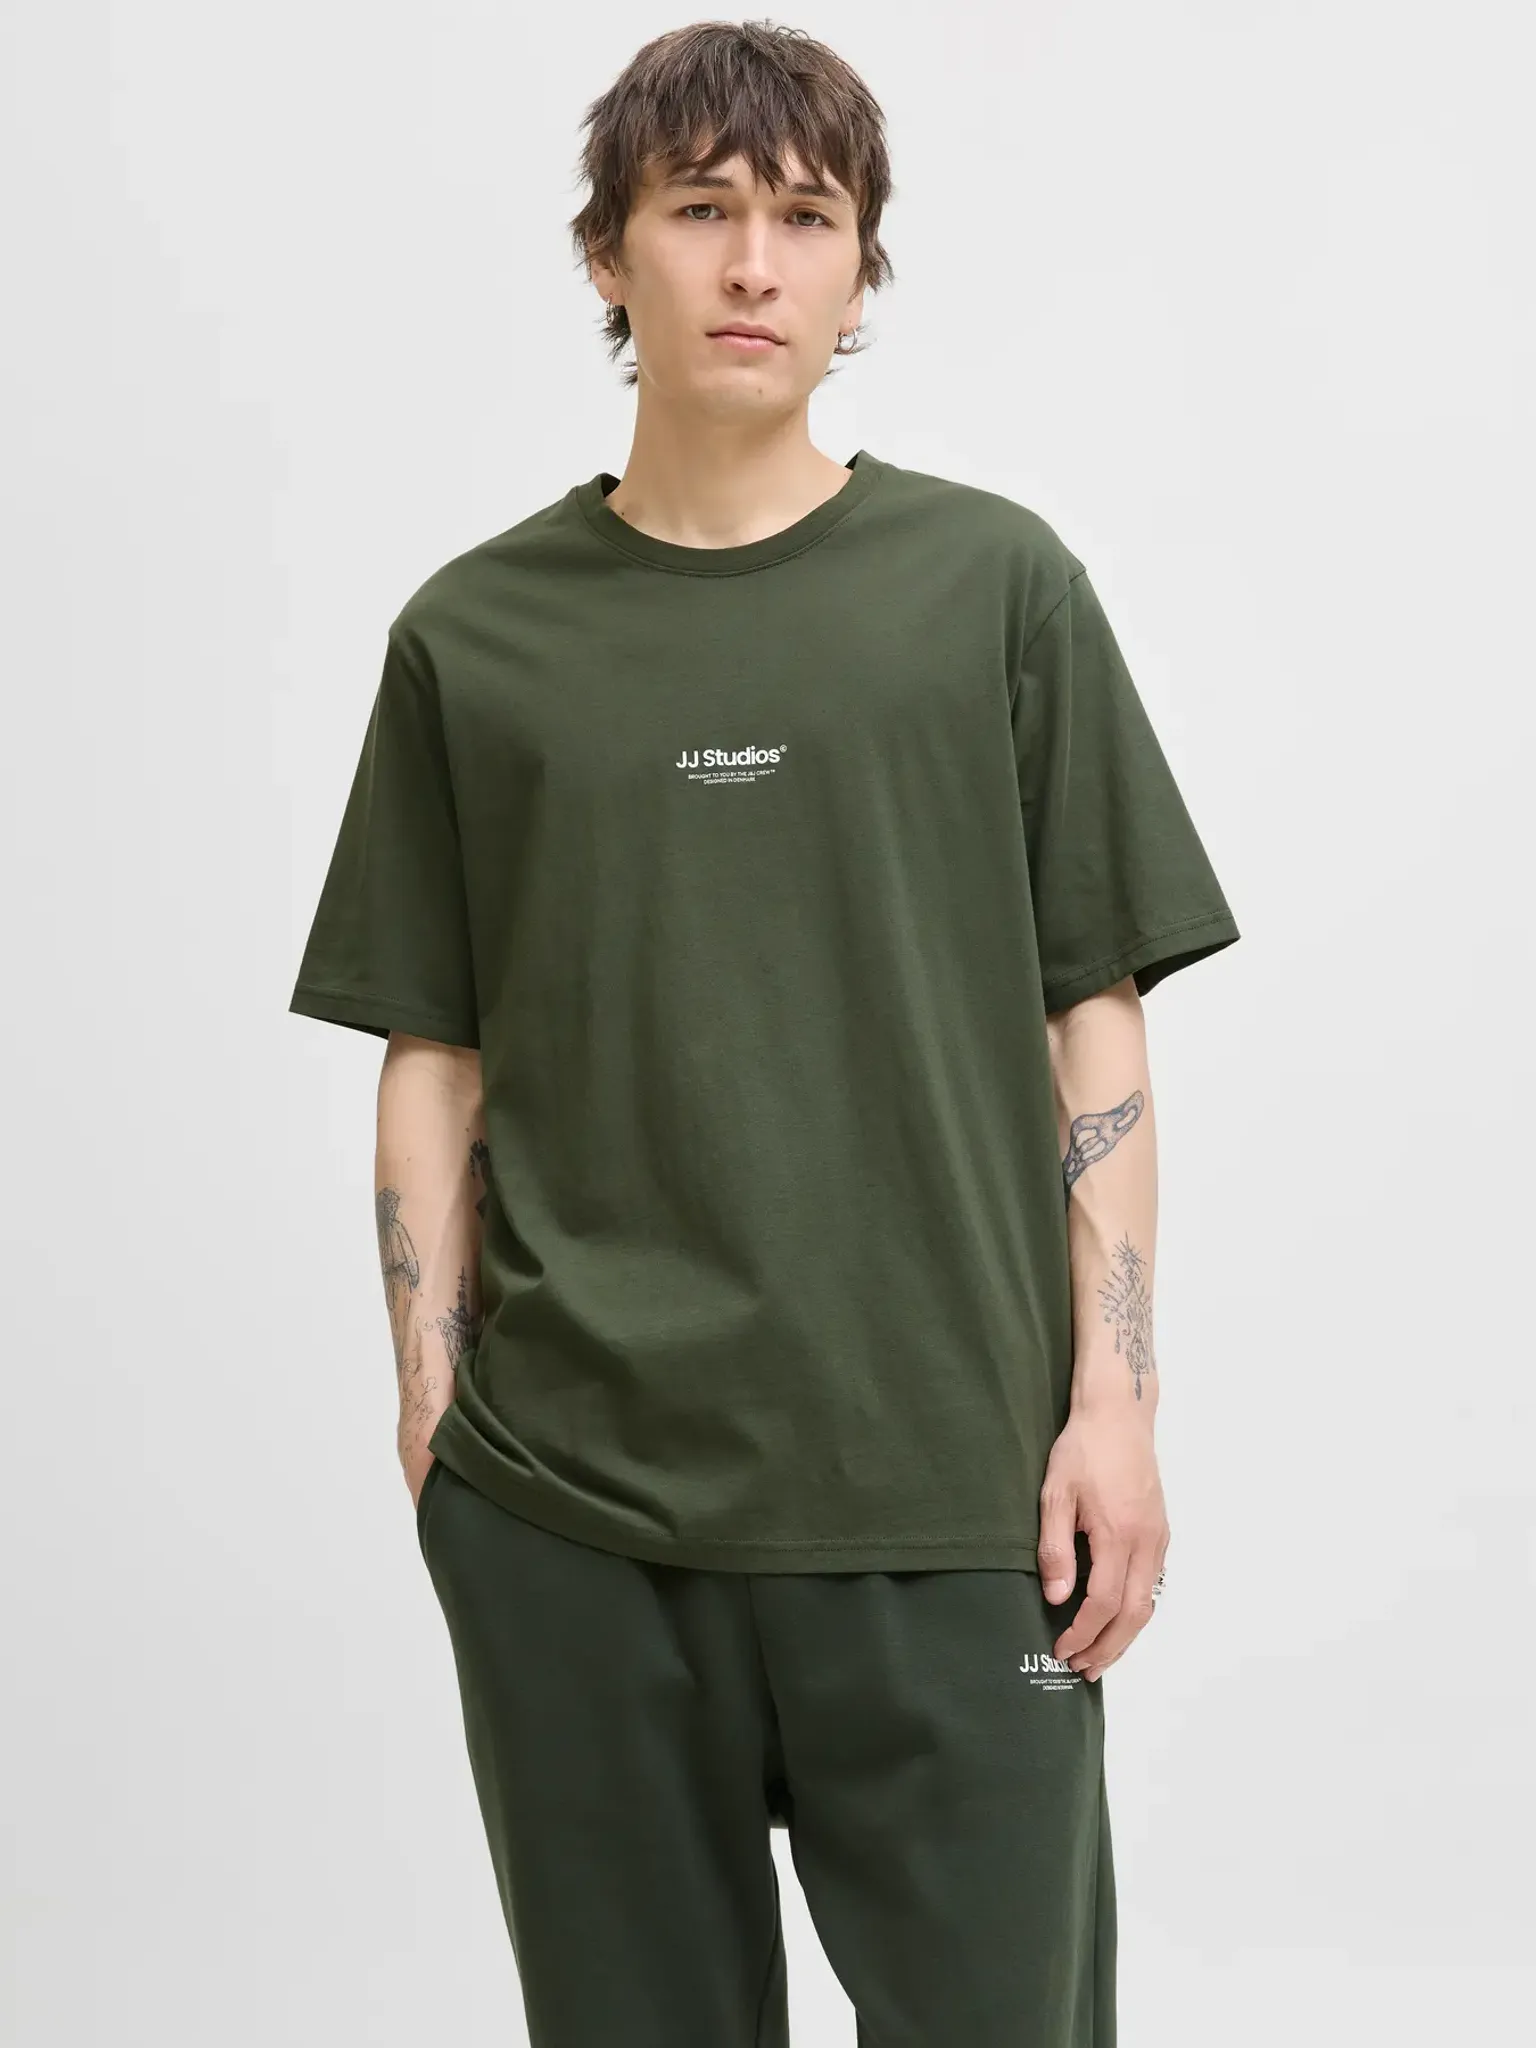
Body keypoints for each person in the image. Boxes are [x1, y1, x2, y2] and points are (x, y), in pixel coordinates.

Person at [288, 20, 1240, 2046]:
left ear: (859, 264)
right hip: (573, 1514)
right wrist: (434, 1419)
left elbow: (1095, 1021)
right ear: (608, 252)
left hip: (953, 1501)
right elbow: (432, 1053)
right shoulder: (475, 637)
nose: (752, 265)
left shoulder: (994, 589)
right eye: (700, 208)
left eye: (807, 219)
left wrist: (1118, 1405)